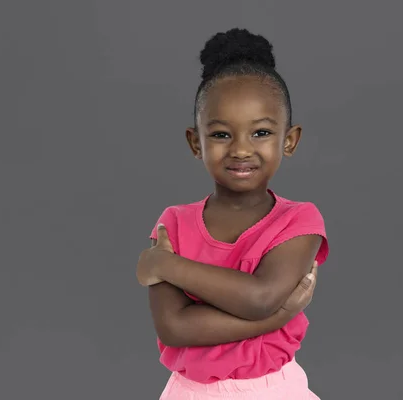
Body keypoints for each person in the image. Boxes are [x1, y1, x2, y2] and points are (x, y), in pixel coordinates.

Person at [136, 28, 329, 399]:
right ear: (197, 142)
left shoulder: (299, 221)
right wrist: (280, 314)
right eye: (222, 135)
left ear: (289, 140)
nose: (241, 150)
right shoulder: (173, 222)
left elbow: (259, 298)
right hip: (189, 392)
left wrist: (165, 266)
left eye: (260, 133)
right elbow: (175, 327)